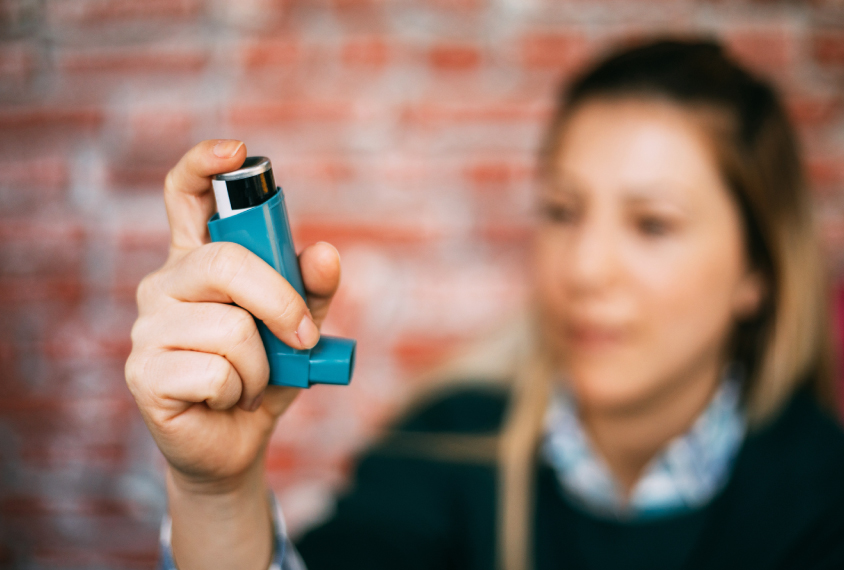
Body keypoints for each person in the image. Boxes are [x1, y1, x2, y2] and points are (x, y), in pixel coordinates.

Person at [125, 39, 844, 570]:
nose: (584, 267)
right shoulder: (443, 448)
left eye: (652, 223)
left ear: (757, 270)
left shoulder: (821, 501)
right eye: (562, 212)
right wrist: (216, 493)